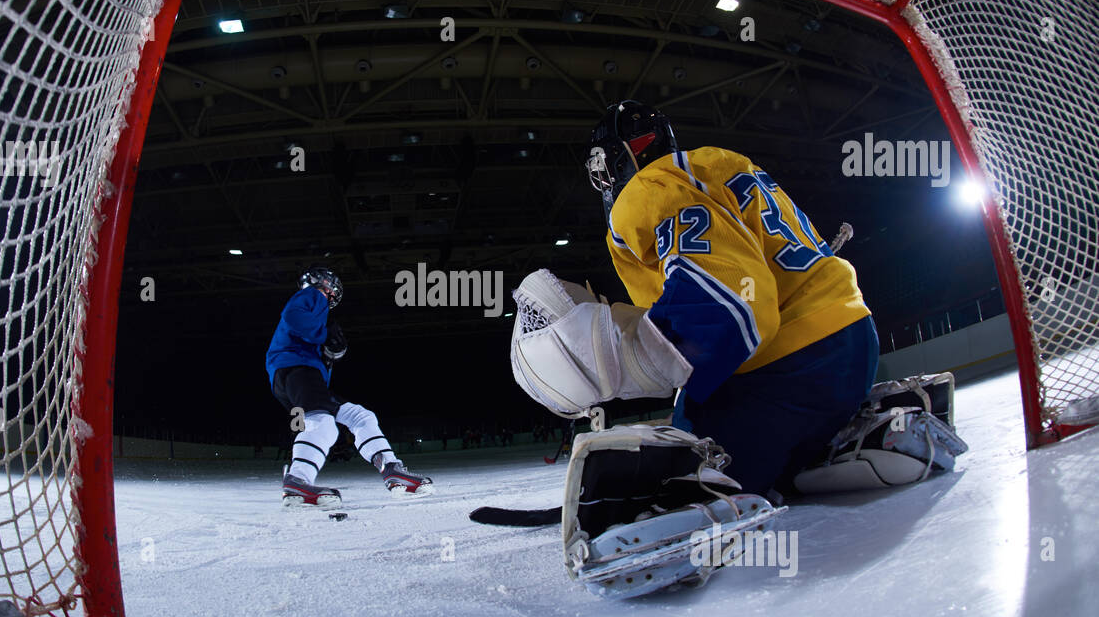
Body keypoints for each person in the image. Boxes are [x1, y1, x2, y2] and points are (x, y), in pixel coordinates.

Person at [512, 100, 877, 500]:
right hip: (851, 340)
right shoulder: (720, 166)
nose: (603, 183)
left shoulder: (649, 188)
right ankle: (837, 447)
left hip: (791, 366)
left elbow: (732, 302)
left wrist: (631, 360)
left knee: (679, 478)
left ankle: (717, 486)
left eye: (600, 171)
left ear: (616, 160)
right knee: (697, 410)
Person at [266, 266, 433, 507]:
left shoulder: (315, 312)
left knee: (361, 416)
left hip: (296, 376)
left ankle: (391, 468)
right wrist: (324, 336)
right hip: (296, 369)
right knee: (324, 424)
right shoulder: (314, 295)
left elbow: (308, 341)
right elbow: (293, 317)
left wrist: (329, 352)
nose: (332, 293)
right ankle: (298, 480)